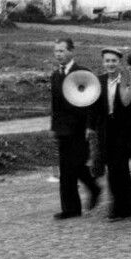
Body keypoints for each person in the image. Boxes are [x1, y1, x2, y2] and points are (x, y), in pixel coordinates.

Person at [86, 48, 131, 221]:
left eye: (114, 61)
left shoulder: (130, 80)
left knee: (119, 167)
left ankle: (120, 208)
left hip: (123, 129)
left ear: (120, 62)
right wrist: (90, 127)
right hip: (105, 129)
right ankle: (124, 207)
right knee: (113, 167)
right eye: (107, 61)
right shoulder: (99, 81)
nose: (110, 64)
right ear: (103, 62)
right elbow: (92, 106)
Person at [50, 38, 101, 220]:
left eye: (62, 51)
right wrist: (54, 127)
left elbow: (93, 102)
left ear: (71, 51)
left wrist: (90, 126)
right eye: (56, 51)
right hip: (63, 128)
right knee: (65, 169)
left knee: (78, 164)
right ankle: (70, 209)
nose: (59, 54)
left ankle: (94, 187)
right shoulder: (55, 75)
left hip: (80, 127)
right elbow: (55, 105)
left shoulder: (83, 73)